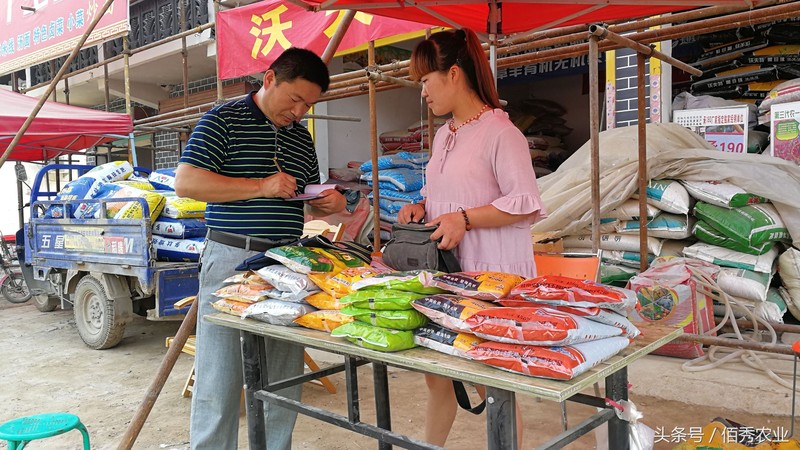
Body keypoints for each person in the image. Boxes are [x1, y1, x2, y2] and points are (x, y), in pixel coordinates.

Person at [175, 47, 346, 450]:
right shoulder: (223, 120)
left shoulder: (300, 137)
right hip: (231, 260)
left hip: (287, 263)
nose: (300, 111)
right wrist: (261, 186)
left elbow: (305, 193)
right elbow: (186, 183)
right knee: (219, 374)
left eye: (309, 104)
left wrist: (328, 202)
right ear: (270, 80)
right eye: (295, 99)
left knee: (284, 374)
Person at [398, 28, 547, 447]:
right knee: (436, 376)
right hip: (447, 271)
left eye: (426, 80)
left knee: (491, 383)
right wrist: (422, 206)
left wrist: (465, 218)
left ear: (455, 75)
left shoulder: (501, 133)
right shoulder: (446, 134)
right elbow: (446, 191)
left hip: (490, 276)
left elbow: (525, 202)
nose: (423, 92)